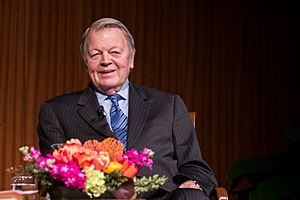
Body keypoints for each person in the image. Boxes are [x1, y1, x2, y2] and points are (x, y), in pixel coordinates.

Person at [37, 18, 217, 199]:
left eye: (115, 52)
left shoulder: (169, 105)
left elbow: (195, 167)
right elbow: (53, 178)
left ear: (131, 59)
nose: (105, 61)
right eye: (95, 54)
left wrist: (192, 184)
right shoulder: (56, 111)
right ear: (86, 63)